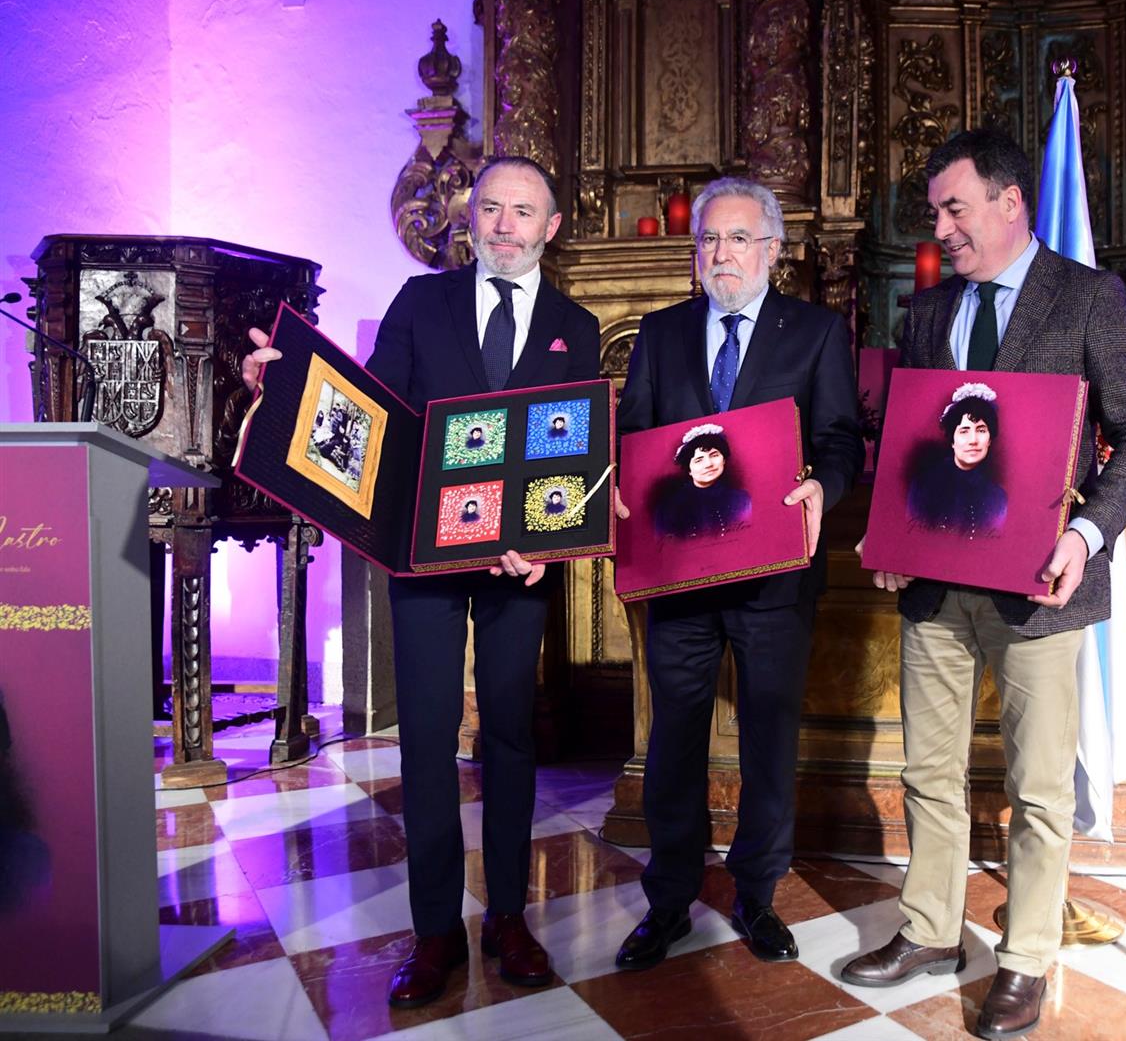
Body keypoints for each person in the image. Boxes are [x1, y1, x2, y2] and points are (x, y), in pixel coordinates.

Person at [242, 155, 602, 1008]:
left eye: (523, 212)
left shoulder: (575, 326)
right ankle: (435, 929)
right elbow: (372, 418)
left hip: (520, 569)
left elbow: (574, 449)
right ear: (470, 220)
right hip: (424, 559)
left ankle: (508, 916)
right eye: (491, 210)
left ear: (551, 227)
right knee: (428, 739)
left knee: (512, 735)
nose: (504, 226)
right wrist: (284, 385)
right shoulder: (419, 303)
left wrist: (549, 541)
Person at [845, 130, 1126, 1040]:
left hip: (1040, 586)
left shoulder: (1088, 297)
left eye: (955, 207)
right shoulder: (926, 312)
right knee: (928, 772)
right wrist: (892, 533)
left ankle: (1025, 959)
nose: (940, 227)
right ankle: (930, 930)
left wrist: (1087, 533)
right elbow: (910, 441)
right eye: (936, 211)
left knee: (1036, 787)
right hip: (935, 587)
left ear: (1011, 202)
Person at [613, 177, 862, 970]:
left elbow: (841, 439)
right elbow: (636, 441)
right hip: (680, 579)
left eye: (738, 239)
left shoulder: (816, 334)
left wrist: (826, 483)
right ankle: (669, 900)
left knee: (767, 740)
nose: (721, 254)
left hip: (775, 579)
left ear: (772, 251)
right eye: (709, 241)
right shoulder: (659, 333)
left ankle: (757, 896)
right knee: (674, 740)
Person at [906, 383, 1008, 538]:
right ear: (952, 439)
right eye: (964, 431)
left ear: (989, 440)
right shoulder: (922, 487)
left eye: (981, 430)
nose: (973, 440)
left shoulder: (998, 497)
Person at [654, 424, 753, 539]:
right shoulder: (668, 508)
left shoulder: (742, 500)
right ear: (689, 469)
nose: (709, 464)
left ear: (724, 460)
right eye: (699, 460)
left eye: (714, 455)